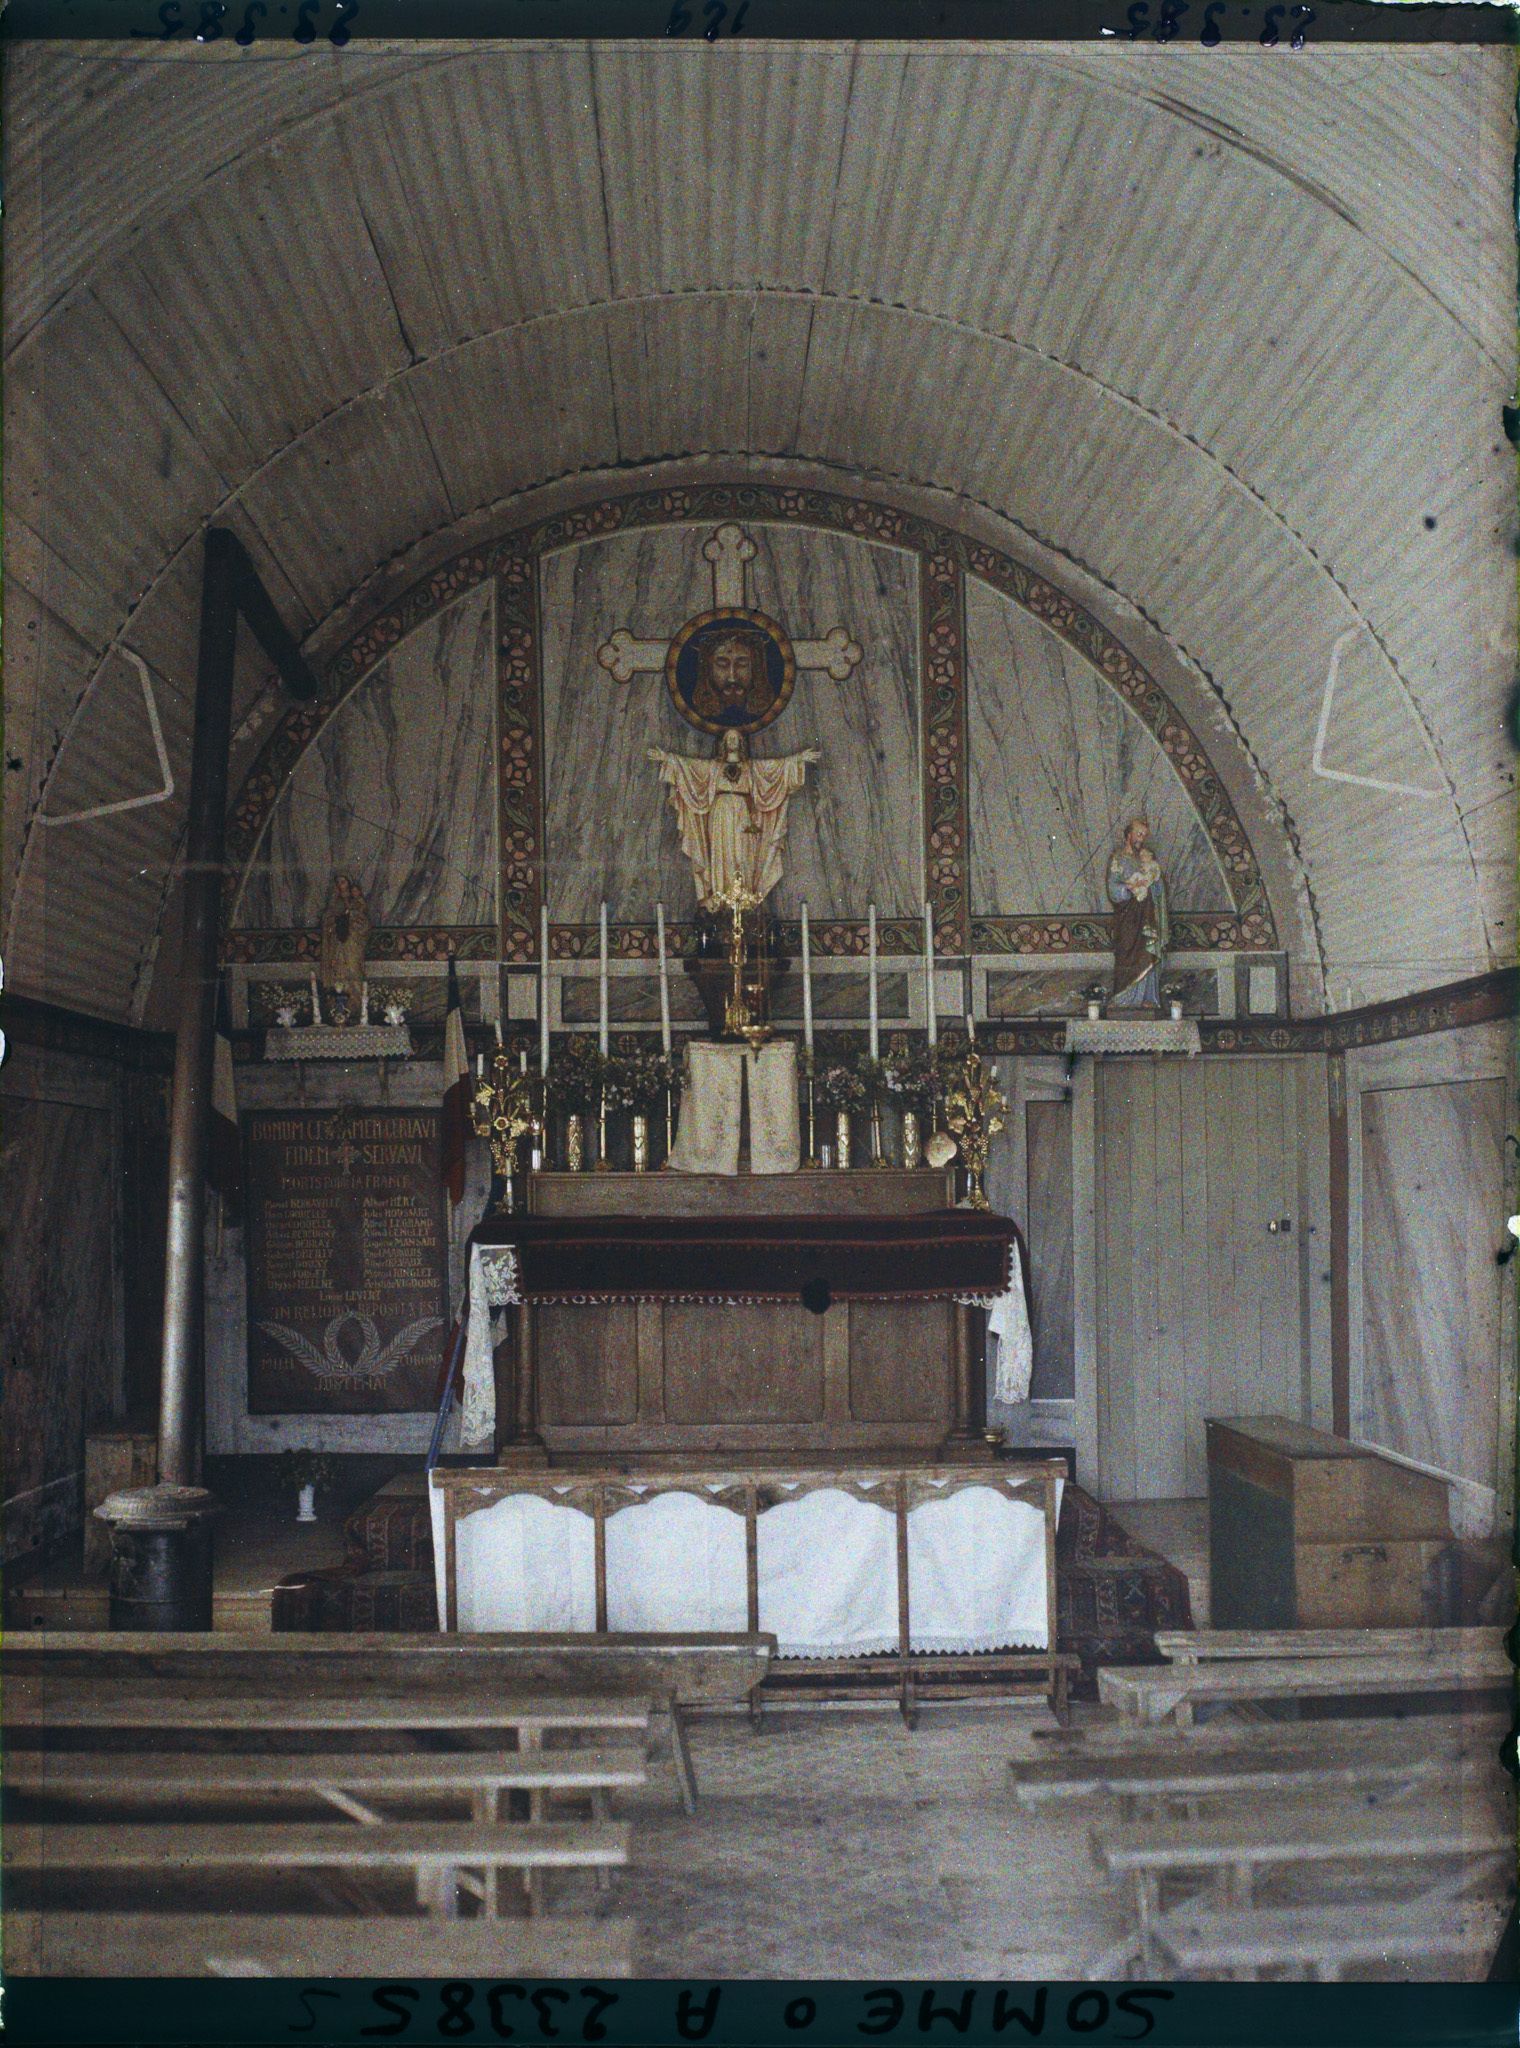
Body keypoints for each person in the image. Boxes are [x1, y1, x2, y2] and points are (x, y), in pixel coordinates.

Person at [647, 728, 819, 908]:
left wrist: (797, 759)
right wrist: (668, 759)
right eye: (729, 738)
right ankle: (721, 897)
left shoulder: (750, 767)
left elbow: (773, 768)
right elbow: (691, 766)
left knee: (743, 852)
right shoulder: (714, 767)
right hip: (720, 813)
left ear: (741, 742)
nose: (732, 741)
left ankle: (743, 898)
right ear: (723, 743)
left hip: (742, 811)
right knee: (722, 851)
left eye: (736, 738)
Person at [1106, 816, 1168, 1008]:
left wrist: (1154, 882)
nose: (1141, 838)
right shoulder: (1118, 858)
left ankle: (1147, 998)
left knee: (1148, 952)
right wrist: (1129, 889)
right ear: (1129, 834)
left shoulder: (1146, 860)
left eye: (1144, 835)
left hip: (1147, 914)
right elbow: (1112, 888)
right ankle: (1123, 999)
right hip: (1128, 917)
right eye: (1139, 834)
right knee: (1126, 951)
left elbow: (1158, 888)